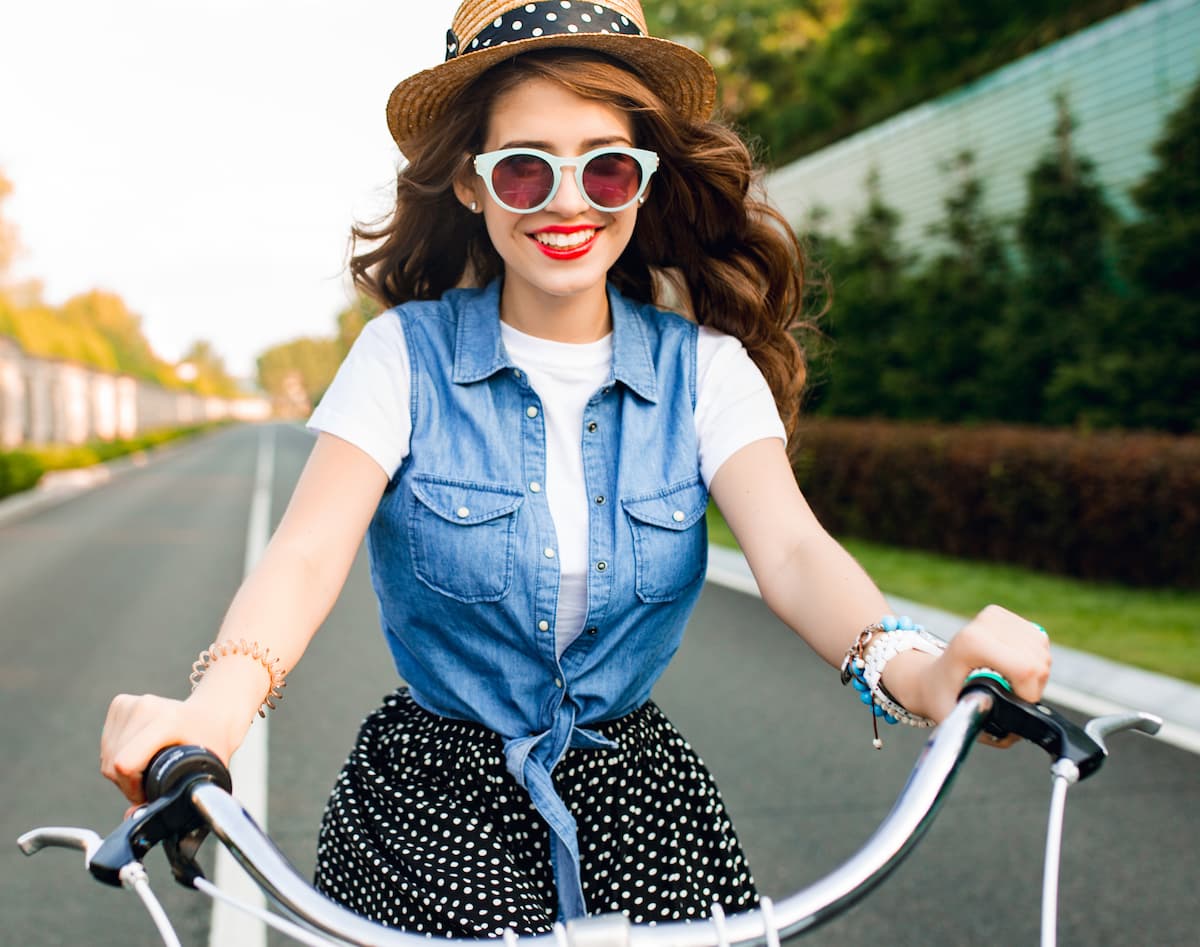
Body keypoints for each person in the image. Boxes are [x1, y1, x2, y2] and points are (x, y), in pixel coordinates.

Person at [100, 0, 1051, 937]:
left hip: (645, 807)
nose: (568, 202)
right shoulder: (401, 358)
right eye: (524, 170)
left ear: (641, 180)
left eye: (605, 168)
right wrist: (214, 714)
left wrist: (921, 672)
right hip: (430, 805)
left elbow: (795, 552)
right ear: (470, 186)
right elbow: (305, 557)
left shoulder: (705, 371)